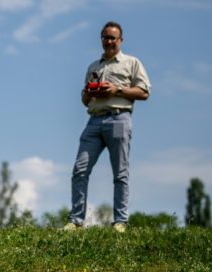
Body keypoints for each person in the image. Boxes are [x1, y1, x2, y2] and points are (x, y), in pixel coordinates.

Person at [64, 21, 151, 232]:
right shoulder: (94, 66)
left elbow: (144, 92)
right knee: (79, 170)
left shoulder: (132, 62)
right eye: (105, 37)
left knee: (120, 172)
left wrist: (117, 90)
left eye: (113, 38)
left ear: (120, 40)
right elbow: (85, 100)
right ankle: (76, 221)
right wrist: (90, 92)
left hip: (119, 119)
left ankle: (120, 222)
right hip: (94, 121)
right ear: (101, 40)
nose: (109, 41)